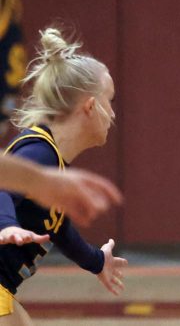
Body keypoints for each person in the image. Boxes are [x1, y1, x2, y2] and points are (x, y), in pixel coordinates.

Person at [0, 27, 127, 325]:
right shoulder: (40, 153)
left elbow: (59, 229)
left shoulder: (53, 162)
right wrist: (5, 226)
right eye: (110, 100)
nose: (113, 113)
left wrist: (97, 261)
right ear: (91, 106)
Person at [0, 154, 123, 234]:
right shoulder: (39, 149)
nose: (112, 115)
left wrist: (97, 261)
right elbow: (4, 193)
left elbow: (62, 233)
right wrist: (7, 224)